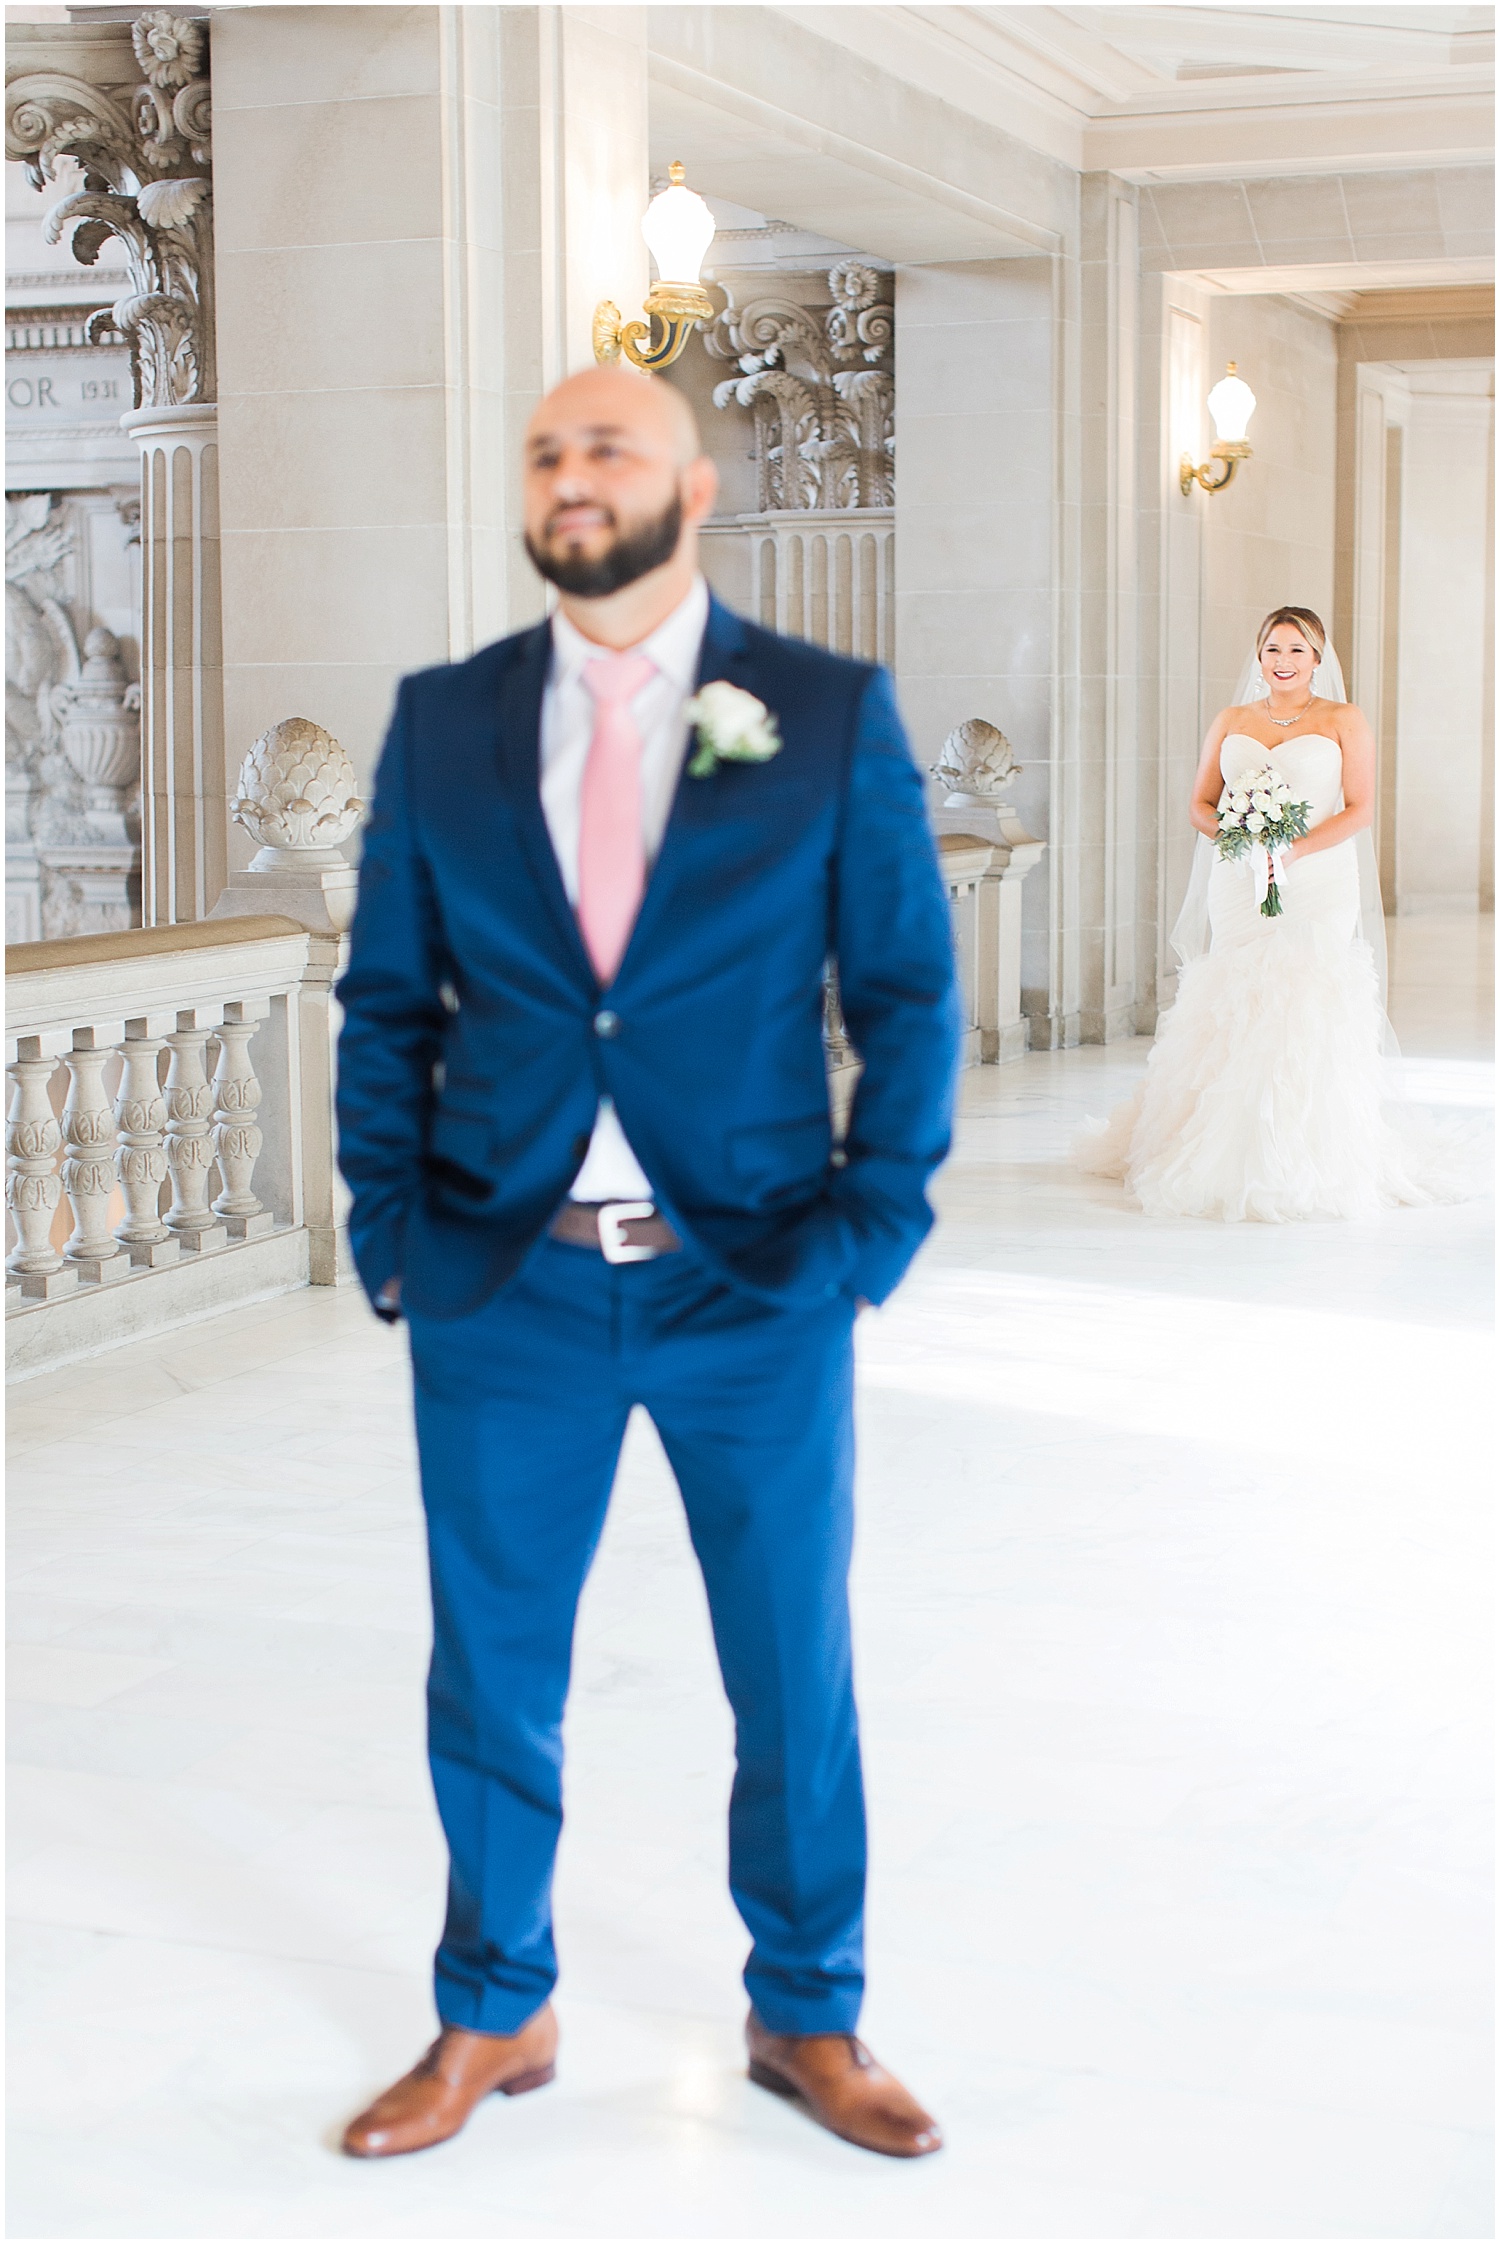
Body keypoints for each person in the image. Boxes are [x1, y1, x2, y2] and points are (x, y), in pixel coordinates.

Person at [333, 365, 961, 2161]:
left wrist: (863, 1235)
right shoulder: (445, 720)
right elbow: (386, 1001)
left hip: (750, 1277)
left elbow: (906, 994)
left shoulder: (824, 713)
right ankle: (491, 2005)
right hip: (504, 1280)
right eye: (544, 449)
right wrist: (391, 1231)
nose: (571, 473)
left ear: (694, 483)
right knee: (492, 1658)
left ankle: (811, 2006)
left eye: (608, 445)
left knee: (790, 1661)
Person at [1079, 605, 1466, 1222]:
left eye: (1296, 650)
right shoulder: (1232, 719)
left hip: (1317, 879)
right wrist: (1238, 834)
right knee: (1236, 993)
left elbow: (1361, 808)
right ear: (1258, 657)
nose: (1283, 663)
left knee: (1305, 993)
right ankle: (1214, 1141)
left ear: (1317, 657)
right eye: (1272, 650)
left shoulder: (1344, 720)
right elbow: (1200, 803)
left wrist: (1291, 849)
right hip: (1237, 879)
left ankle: (1304, 1149)